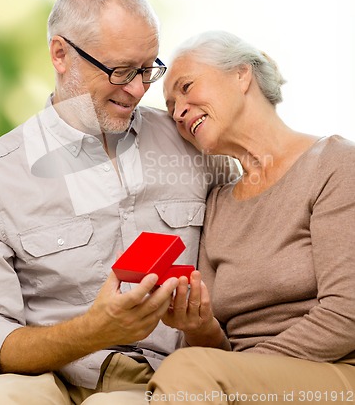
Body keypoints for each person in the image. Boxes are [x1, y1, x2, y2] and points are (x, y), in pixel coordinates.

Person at [0, 0, 236, 404]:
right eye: (120, 71)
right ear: (60, 54)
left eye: (147, 70)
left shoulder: (193, 145)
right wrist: (94, 331)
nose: (137, 89)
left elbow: (263, 204)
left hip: (164, 379)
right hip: (47, 377)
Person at [141, 30, 355, 403]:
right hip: (242, 380)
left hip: (334, 371)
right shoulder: (218, 204)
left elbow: (347, 313)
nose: (177, 111)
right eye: (171, 105)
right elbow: (219, 352)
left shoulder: (335, 164)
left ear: (242, 75)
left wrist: (237, 370)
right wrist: (203, 330)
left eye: (186, 87)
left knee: (185, 371)